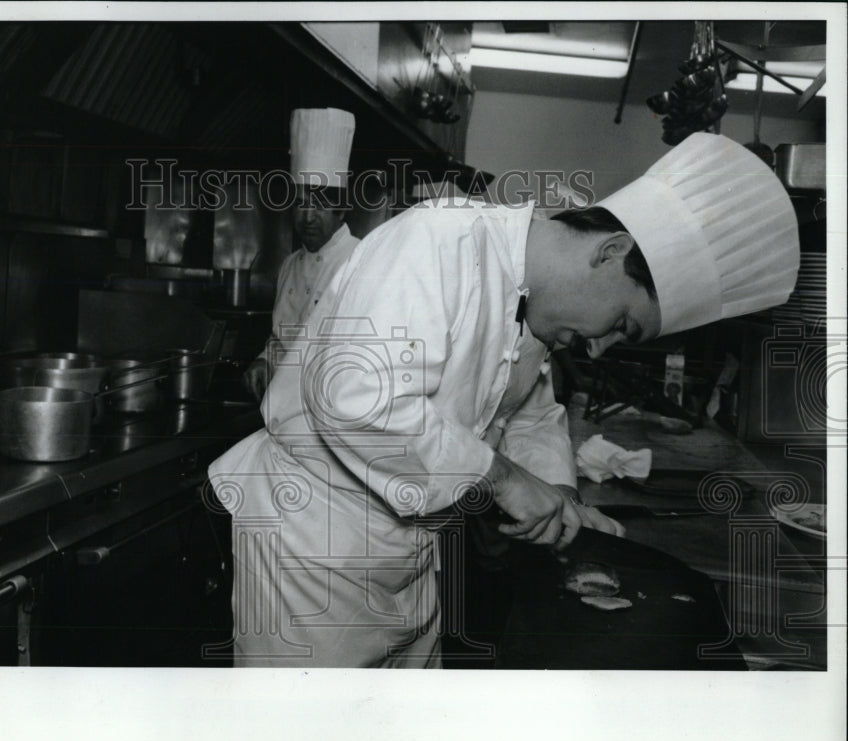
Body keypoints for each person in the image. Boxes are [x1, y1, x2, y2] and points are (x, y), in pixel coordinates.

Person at [209, 132, 800, 668]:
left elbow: (530, 413)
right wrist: (505, 479)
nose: (599, 351)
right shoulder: (439, 242)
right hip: (313, 553)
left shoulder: (534, 304)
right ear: (610, 251)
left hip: (409, 555)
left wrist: (558, 500)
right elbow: (357, 398)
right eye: (621, 322)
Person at [242, 108, 361, 401]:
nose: (307, 217)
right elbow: (281, 341)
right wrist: (265, 361)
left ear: (341, 209)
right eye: (300, 204)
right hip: (284, 408)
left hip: (334, 412)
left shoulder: (362, 260)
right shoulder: (289, 265)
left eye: (319, 205)